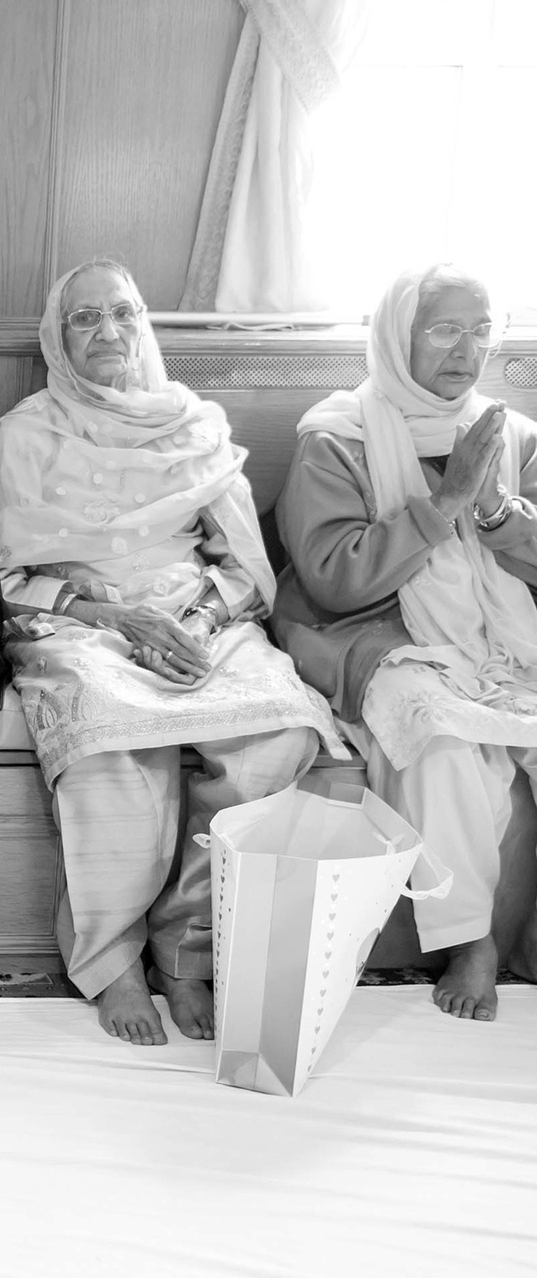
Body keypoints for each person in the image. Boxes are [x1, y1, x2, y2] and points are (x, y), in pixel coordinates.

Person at [0, 259, 336, 1046]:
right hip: (80, 621)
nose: (108, 331)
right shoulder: (26, 433)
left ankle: (185, 948)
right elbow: (1, 579)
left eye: (123, 313)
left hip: (195, 615)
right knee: (108, 734)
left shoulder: (195, 424)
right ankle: (116, 964)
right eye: (85, 318)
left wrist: (197, 623)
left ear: (144, 325)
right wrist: (117, 618)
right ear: (57, 338)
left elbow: (242, 564)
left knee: (279, 731)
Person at [276, 263, 537, 1022]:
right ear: (399, 336)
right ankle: (471, 940)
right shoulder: (338, 437)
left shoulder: (509, 436)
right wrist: (445, 500)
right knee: (438, 733)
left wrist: (496, 514)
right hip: (367, 626)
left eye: (481, 331)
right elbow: (334, 578)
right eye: (445, 329)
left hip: (496, 627)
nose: (467, 350)